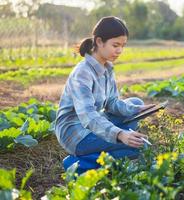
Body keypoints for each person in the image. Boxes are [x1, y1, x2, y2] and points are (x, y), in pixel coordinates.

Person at [54, 16, 154, 174]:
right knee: (141, 146)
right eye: (115, 45)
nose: (120, 50)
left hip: (92, 126)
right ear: (99, 42)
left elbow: (112, 103)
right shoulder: (82, 74)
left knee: (135, 102)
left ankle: (100, 154)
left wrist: (137, 110)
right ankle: (77, 164)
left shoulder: (107, 68)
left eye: (123, 46)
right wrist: (120, 134)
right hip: (75, 133)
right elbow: (88, 116)